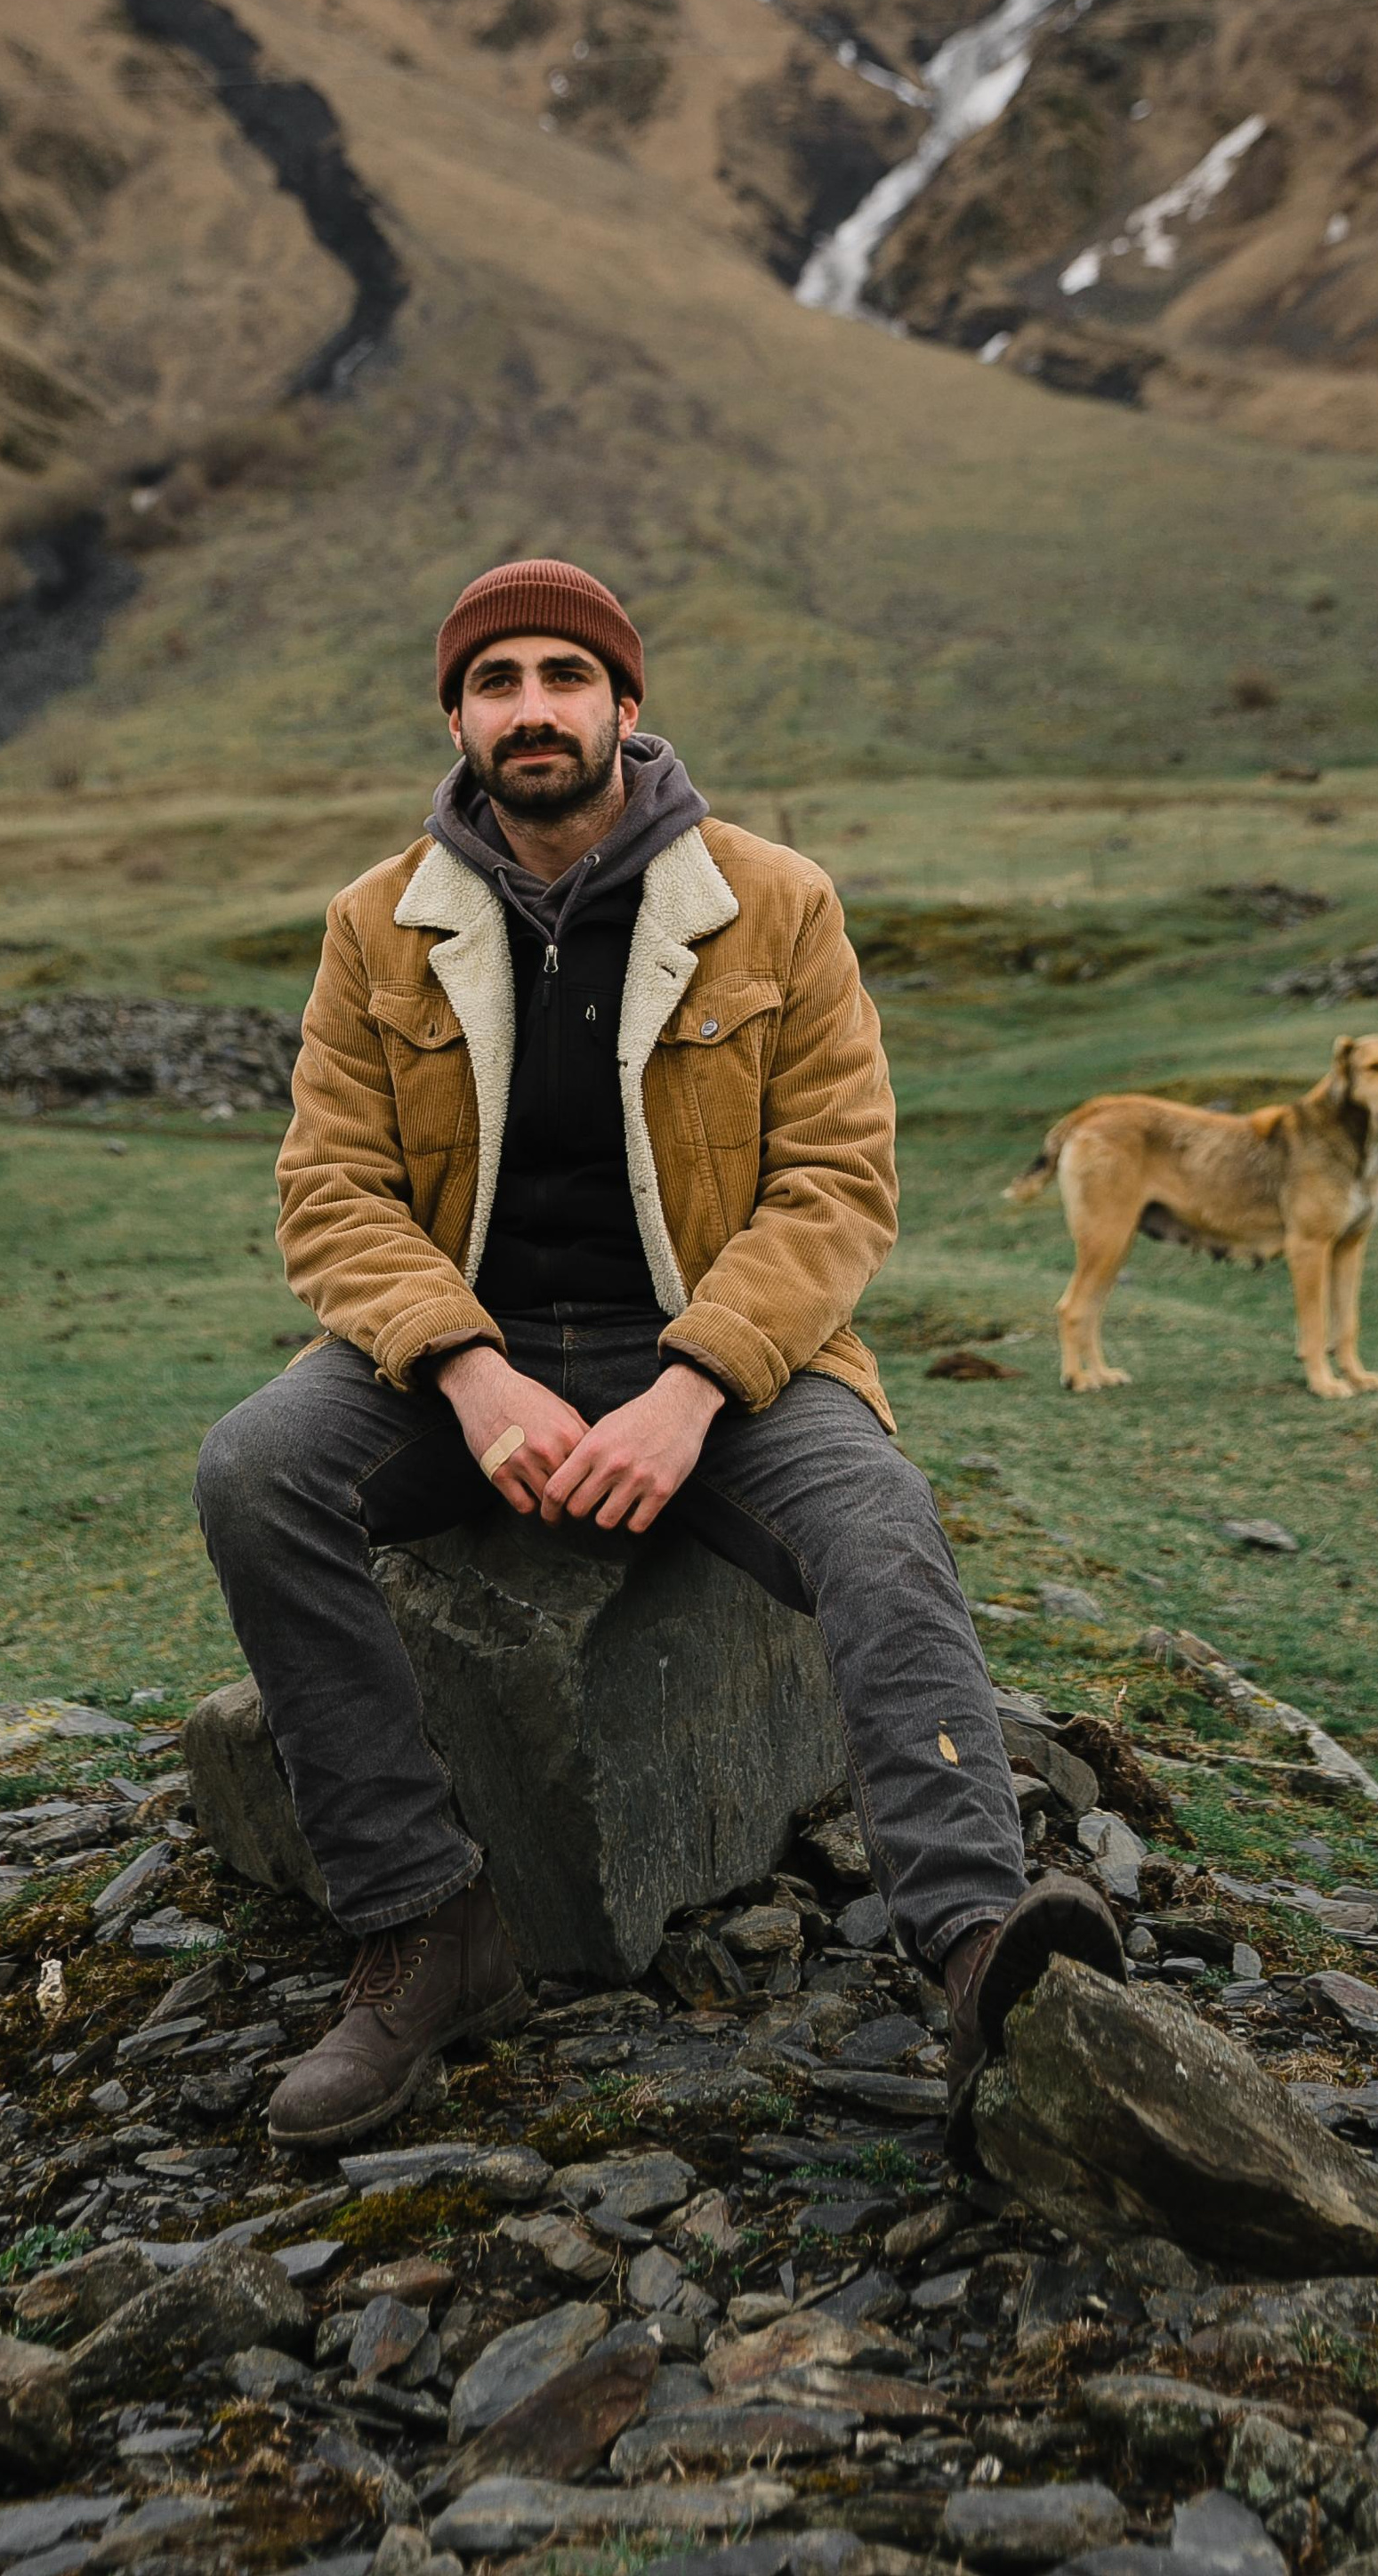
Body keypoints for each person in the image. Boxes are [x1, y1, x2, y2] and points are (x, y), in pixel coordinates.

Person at [196, 556, 1122, 2147]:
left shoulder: (774, 902)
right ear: (461, 718)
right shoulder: (378, 924)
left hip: (723, 1342)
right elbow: (331, 1190)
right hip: (463, 1345)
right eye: (499, 683)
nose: (532, 708)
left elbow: (838, 1187)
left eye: (566, 677)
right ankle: (427, 1924)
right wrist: (471, 1372)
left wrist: (693, 1389)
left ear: (628, 707)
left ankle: (978, 1950)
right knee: (257, 1470)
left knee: (881, 1525)